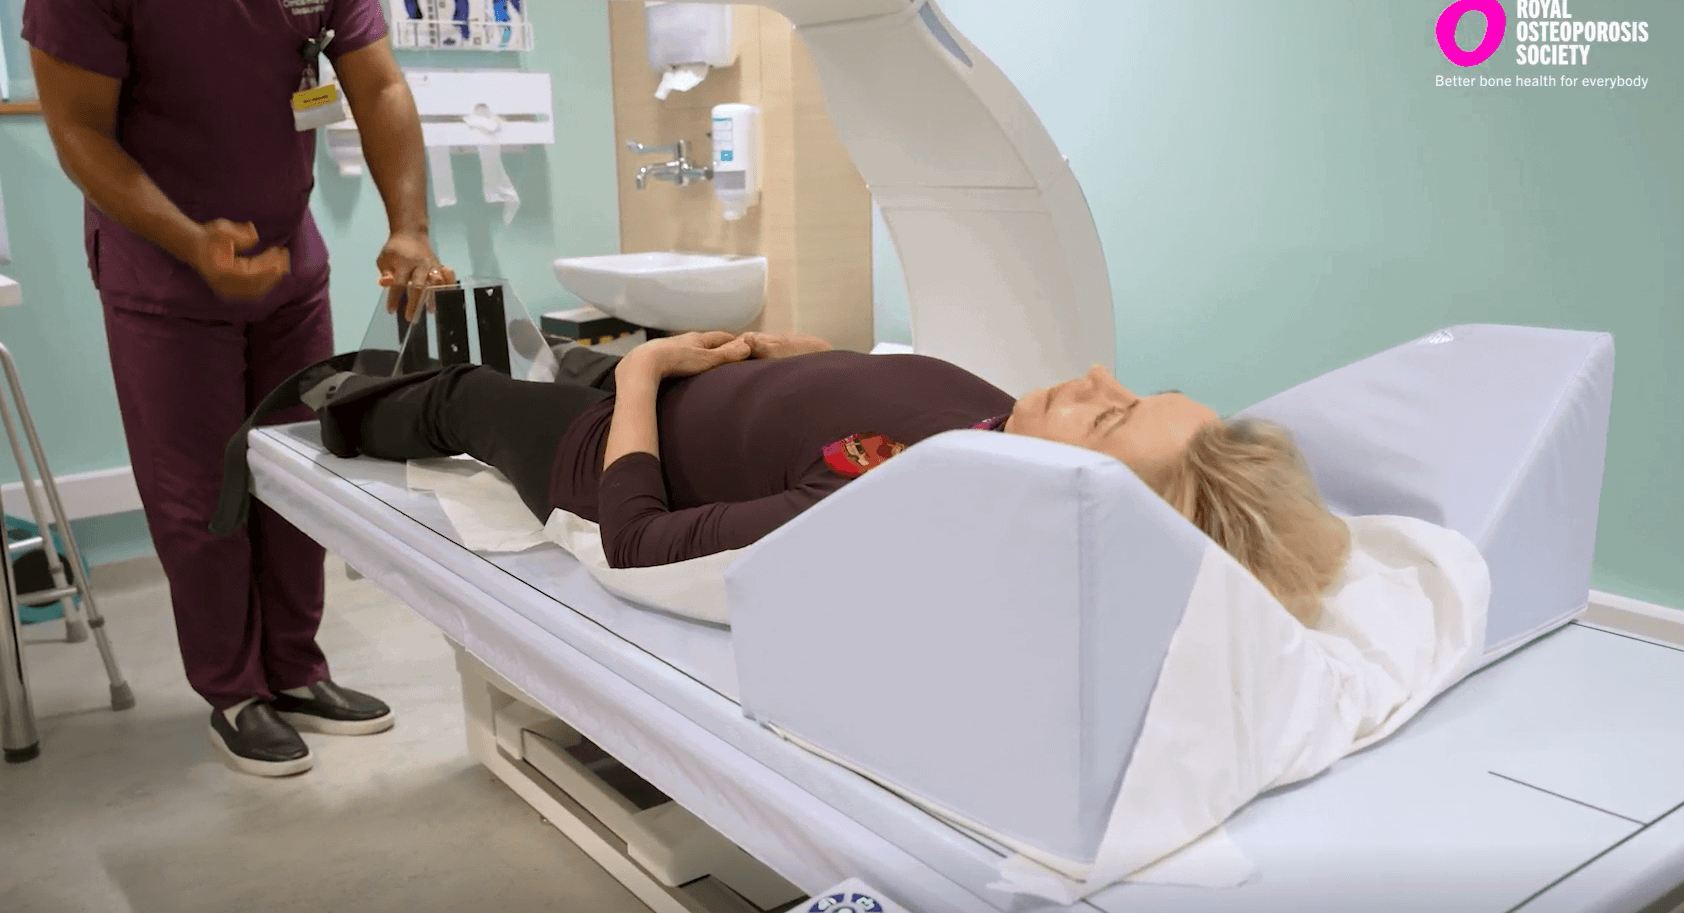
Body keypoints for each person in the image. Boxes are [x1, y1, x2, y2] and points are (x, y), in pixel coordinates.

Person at [23, 0, 457, 777]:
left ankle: (296, 671)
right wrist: (191, 243)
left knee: (299, 475)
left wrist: (410, 227)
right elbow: (78, 130)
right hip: (162, 272)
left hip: (291, 264)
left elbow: (380, 84)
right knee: (200, 494)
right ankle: (234, 692)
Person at [284, 331, 1350, 625]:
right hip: (699, 382)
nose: (1094, 376)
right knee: (537, 364)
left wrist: (647, 374)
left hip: (602, 441)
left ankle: (331, 409)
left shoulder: (900, 496)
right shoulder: (993, 435)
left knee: (463, 398)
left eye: (1108, 413)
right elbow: (877, 396)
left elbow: (637, 539)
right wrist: (809, 356)